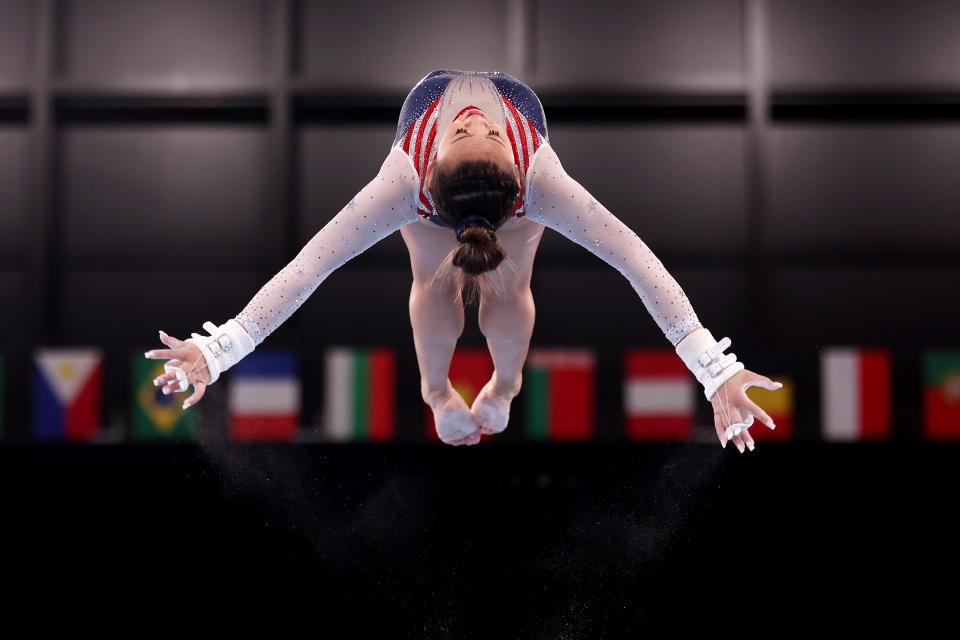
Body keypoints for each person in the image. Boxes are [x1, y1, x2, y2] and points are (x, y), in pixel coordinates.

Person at [145, 69, 783, 452]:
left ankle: (503, 386)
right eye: (470, 132)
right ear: (430, 172)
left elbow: (639, 265)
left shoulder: (533, 186)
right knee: (435, 277)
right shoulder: (409, 187)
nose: (477, 119)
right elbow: (310, 266)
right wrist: (220, 348)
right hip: (454, 208)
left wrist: (713, 370)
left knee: (506, 285)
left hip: (496, 210)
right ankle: (436, 391)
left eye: (481, 133)